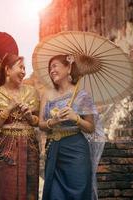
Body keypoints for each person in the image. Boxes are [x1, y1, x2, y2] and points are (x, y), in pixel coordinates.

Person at [38, 55, 105, 200]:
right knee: (55, 195)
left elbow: (90, 128)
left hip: (76, 151)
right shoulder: (47, 94)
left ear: (68, 68)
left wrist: (76, 119)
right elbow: (41, 124)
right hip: (54, 149)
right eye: (50, 68)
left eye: (55, 66)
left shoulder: (83, 96)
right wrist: (53, 121)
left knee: (78, 194)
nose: (52, 71)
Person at [0, 53, 40, 200]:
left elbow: (38, 121)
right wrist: (7, 110)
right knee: (8, 189)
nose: (24, 71)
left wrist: (30, 117)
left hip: (30, 147)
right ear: (7, 70)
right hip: (7, 148)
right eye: (20, 67)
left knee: (30, 190)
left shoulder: (31, 92)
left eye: (25, 68)